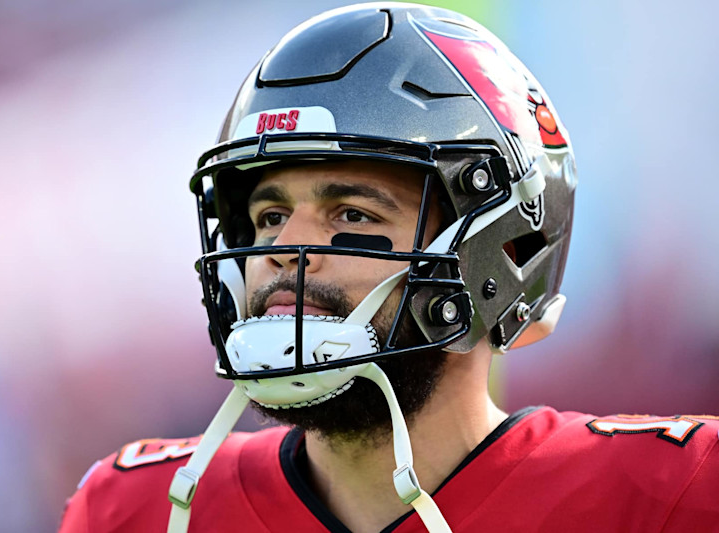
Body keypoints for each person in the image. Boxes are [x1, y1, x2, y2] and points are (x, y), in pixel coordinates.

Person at [59, 3, 719, 532]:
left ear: (499, 252)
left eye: (352, 214)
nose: (287, 251)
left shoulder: (673, 495)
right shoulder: (134, 509)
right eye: (268, 215)